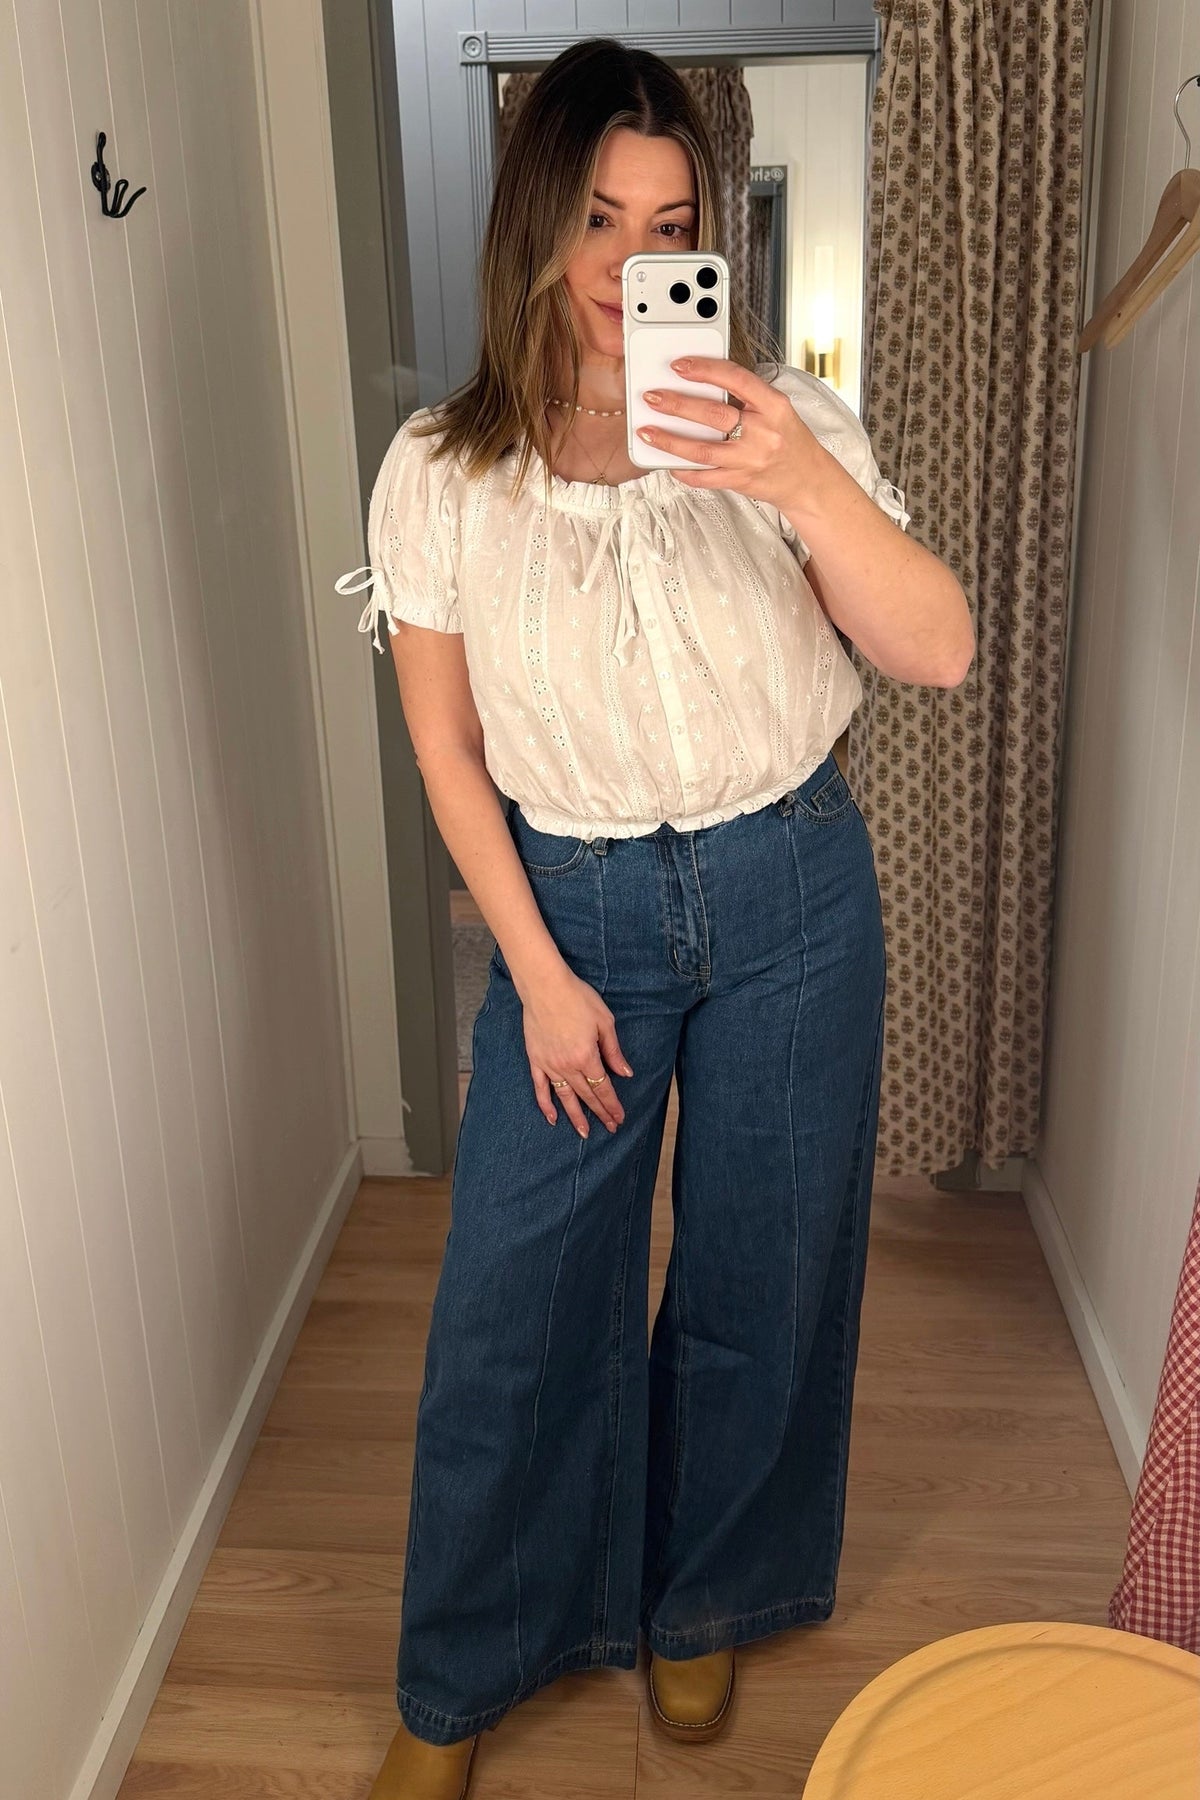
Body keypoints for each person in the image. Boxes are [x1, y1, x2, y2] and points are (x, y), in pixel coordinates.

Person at [336, 36, 973, 1800]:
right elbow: (448, 757)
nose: (630, 265)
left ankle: (704, 1605)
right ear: (538, 226)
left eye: (671, 222)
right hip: (578, 920)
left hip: (796, 901)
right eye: (598, 219)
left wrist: (790, 479)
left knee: (766, 1282)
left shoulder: (786, 430)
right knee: (513, 1313)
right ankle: (457, 1681)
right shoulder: (446, 473)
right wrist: (533, 977)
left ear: (713, 241)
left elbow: (936, 645)